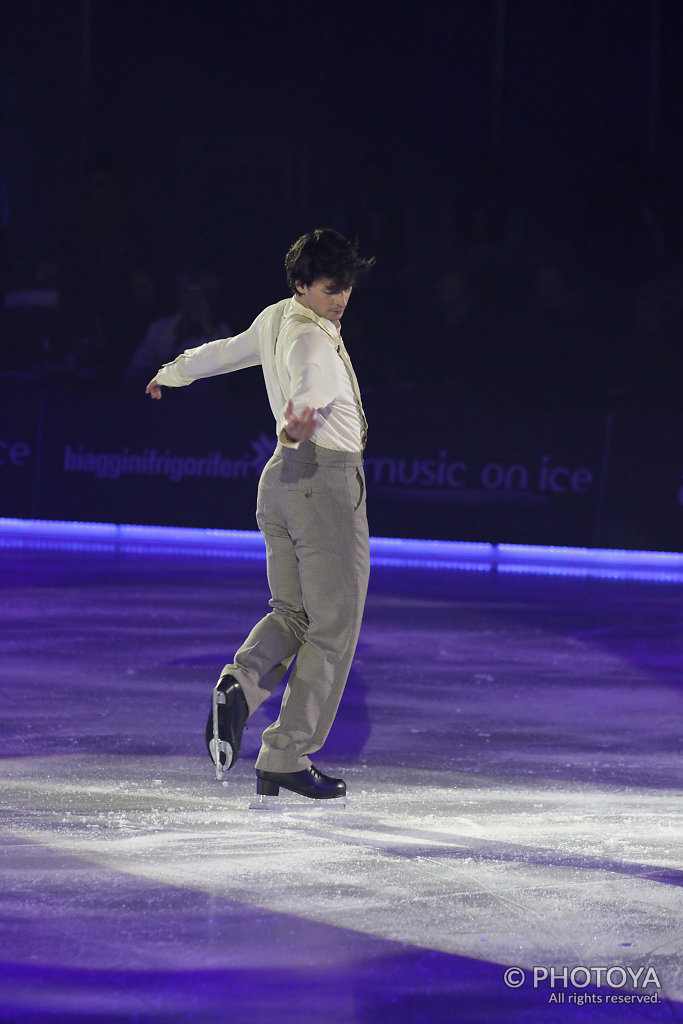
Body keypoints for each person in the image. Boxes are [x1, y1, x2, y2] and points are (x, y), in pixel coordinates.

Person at [146, 229, 374, 801]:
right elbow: (310, 385)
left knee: (294, 615)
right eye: (329, 288)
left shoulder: (274, 319)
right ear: (301, 285)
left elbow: (223, 353)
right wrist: (297, 419)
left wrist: (173, 372)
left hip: (279, 483)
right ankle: (285, 755)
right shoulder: (310, 339)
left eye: (346, 285)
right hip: (321, 482)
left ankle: (239, 687)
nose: (341, 297)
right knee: (332, 628)